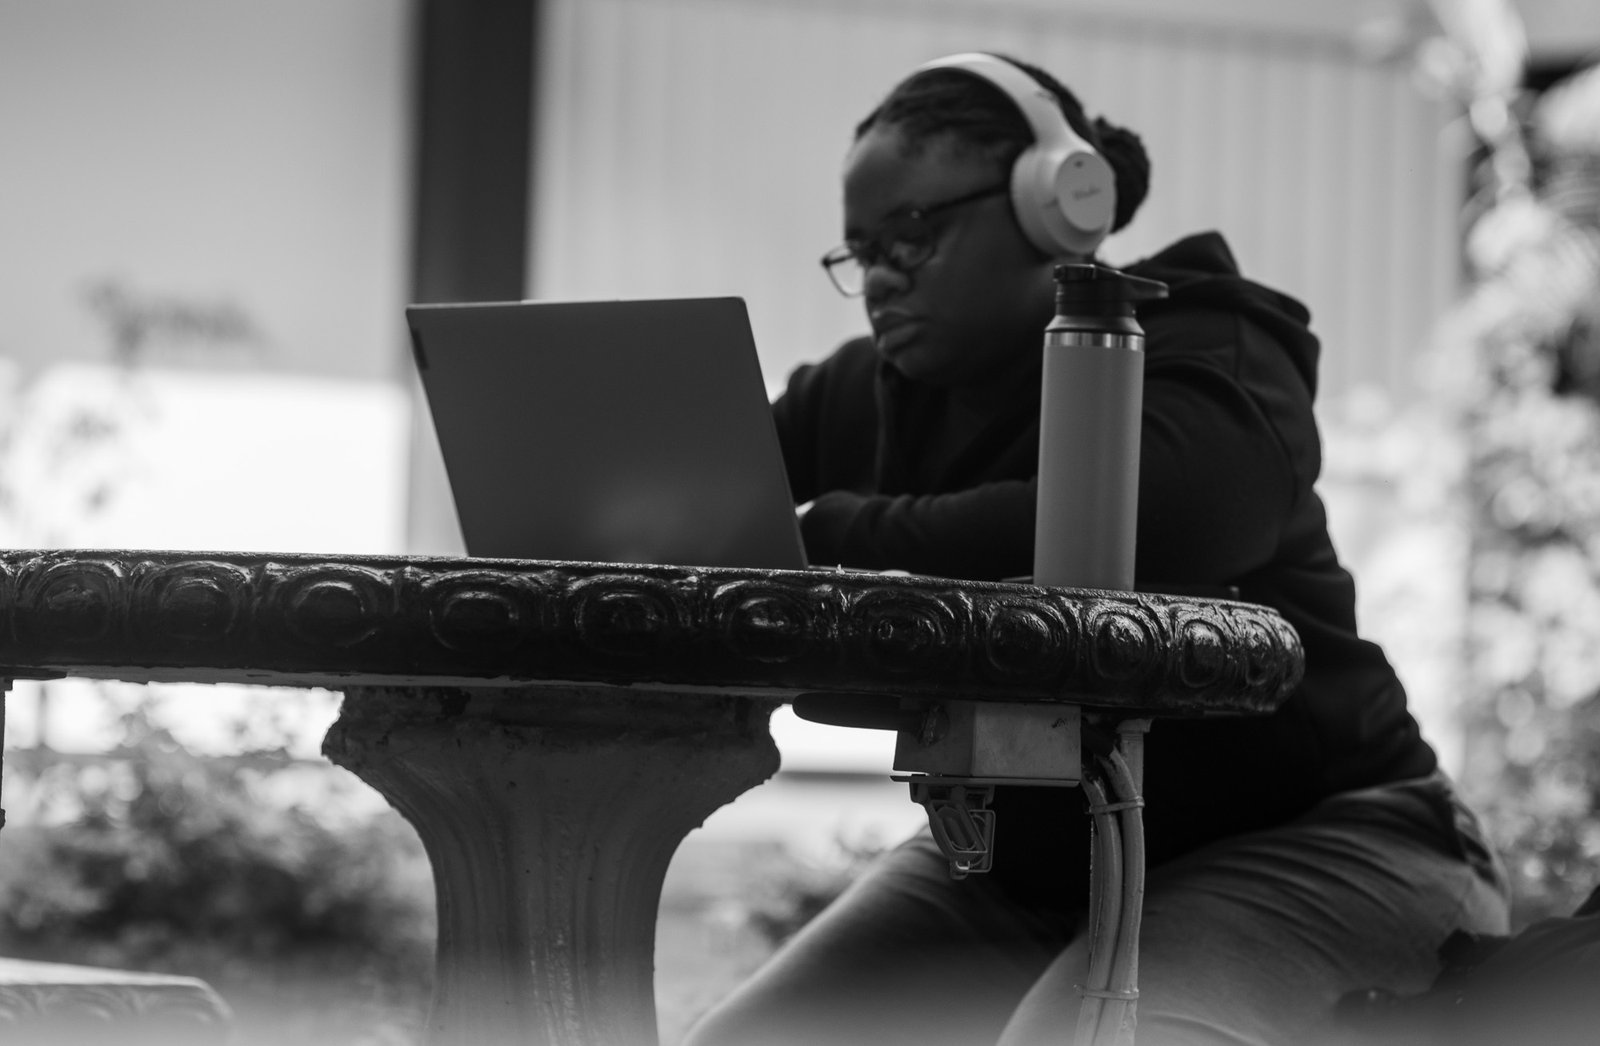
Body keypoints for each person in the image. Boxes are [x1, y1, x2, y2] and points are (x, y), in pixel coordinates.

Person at [683, 52, 1509, 1046]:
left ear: (1055, 206)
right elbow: (691, 498)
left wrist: (834, 534)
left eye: (911, 232)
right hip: (1030, 869)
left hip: (1331, 836)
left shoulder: (1201, 345)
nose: (880, 277)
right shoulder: (866, 391)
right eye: (859, 250)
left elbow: (1169, 517)